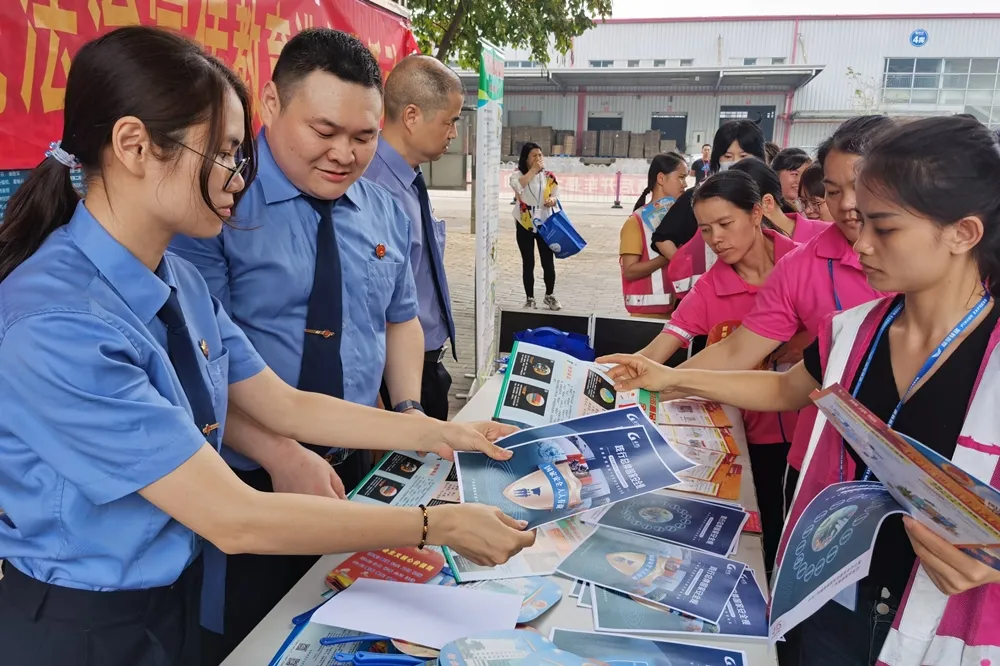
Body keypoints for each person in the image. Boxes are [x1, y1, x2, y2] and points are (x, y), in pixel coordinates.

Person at [0, 26, 534, 666]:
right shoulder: (58, 323)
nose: (237, 176)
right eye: (225, 153)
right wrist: (433, 526)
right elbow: (234, 516)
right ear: (134, 145)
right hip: (84, 626)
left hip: (173, 595)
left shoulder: (177, 281)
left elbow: (285, 405)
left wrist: (446, 436)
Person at [599, 114, 1000, 666]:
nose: (860, 243)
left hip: (941, 617)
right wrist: (670, 376)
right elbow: (788, 387)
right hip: (834, 588)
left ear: (963, 232)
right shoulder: (857, 330)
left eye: (884, 228)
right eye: (846, 208)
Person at [165, 28, 433, 660]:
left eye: (364, 137)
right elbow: (193, 365)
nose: (344, 154)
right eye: (325, 131)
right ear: (272, 103)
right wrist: (278, 452)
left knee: (351, 631)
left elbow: (400, 320)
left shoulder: (384, 208)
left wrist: (411, 415)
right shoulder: (213, 205)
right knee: (254, 640)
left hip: (358, 464)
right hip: (246, 475)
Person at [661, 116, 891, 503]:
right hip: (819, 462)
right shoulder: (804, 264)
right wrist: (659, 381)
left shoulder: (949, 283)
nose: (848, 205)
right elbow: (760, 366)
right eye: (833, 191)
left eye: (862, 187)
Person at [637, 170, 799, 573]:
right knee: (767, 536)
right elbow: (660, 351)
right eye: (706, 230)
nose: (716, 239)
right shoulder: (710, 287)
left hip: (811, 430)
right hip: (750, 437)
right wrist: (620, 377)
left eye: (726, 224)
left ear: (759, 212)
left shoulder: (803, 266)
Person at [364, 55, 463, 421]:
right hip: (397, 374)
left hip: (426, 364)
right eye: (449, 121)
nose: (453, 133)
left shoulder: (409, 181)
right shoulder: (375, 189)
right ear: (411, 116)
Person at [666, 157, 828, 300]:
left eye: (726, 223)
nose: (716, 238)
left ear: (763, 205)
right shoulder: (725, 260)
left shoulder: (825, 238)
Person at [651, 120, 768, 262]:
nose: (736, 163)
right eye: (728, 157)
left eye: (743, 156)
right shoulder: (698, 197)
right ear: (717, 159)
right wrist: (685, 267)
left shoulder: (770, 195)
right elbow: (662, 238)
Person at [619, 153, 688, 319]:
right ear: (661, 178)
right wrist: (668, 256)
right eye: (680, 177)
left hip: (681, 314)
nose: (685, 184)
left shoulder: (686, 219)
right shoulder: (636, 222)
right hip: (646, 319)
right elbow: (629, 270)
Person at [510, 141, 561, 310]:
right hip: (524, 222)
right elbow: (518, 186)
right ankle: (530, 298)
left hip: (544, 222)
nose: (538, 158)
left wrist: (552, 200)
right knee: (528, 261)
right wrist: (532, 171)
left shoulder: (548, 176)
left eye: (540, 155)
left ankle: (550, 295)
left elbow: (556, 194)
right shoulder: (517, 175)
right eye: (534, 156)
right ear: (526, 159)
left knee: (548, 261)